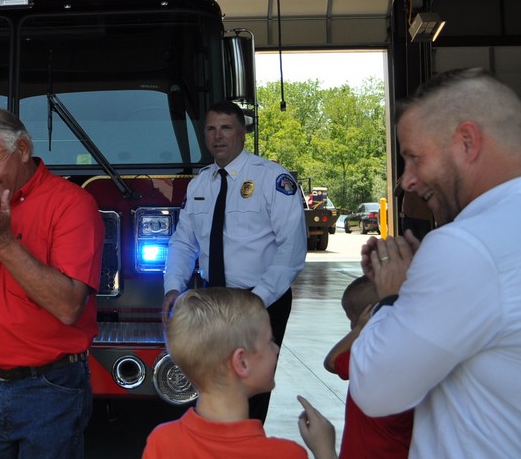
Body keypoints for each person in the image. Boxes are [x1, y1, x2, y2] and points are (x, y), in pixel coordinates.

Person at [350, 68, 521, 458]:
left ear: (467, 141)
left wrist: (394, 296)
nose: (407, 181)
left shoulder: (467, 245)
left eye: (413, 158)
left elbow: (376, 390)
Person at [0, 107, 105, 458]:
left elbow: (69, 306)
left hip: (51, 388)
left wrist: (2, 242)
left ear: (24, 149)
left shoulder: (72, 205)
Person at [162, 100, 306, 421]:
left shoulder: (272, 179)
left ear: (242, 133)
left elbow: (291, 250)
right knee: (213, 389)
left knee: (250, 394)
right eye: (211, 129)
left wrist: (257, 300)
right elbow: (184, 242)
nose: (218, 136)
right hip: (213, 301)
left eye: (226, 128)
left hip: (261, 299)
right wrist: (173, 287)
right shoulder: (201, 183)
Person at [143, 288, 336, 459]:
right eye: (270, 340)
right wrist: (325, 451)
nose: (276, 349)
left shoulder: (162, 442)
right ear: (241, 362)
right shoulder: (285, 454)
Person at [324, 276, 412, 458]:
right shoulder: (413, 353)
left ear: (368, 314)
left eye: (352, 319)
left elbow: (332, 361)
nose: (350, 325)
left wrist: (361, 328)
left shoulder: (367, 354)